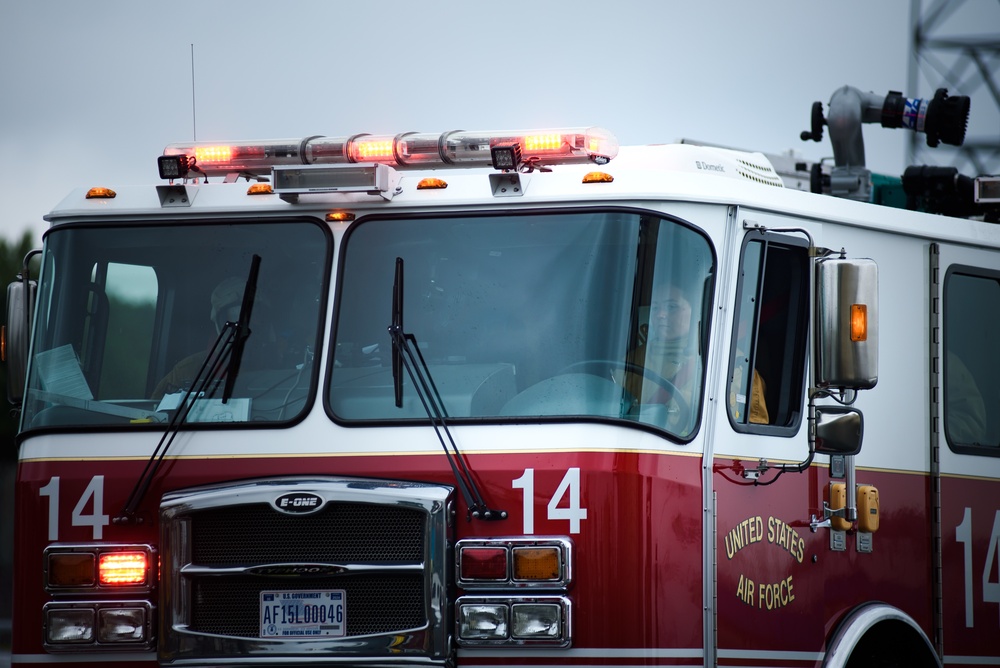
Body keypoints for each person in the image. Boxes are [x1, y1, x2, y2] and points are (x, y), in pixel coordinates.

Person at [152, 276, 276, 400]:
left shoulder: (281, 366)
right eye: (236, 316)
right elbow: (156, 417)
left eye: (256, 316)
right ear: (219, 321)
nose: (246, 326)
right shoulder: (188, 371)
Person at [625, 282, 702, 430]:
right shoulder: (633, 358)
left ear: (696, 312)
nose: (660, 314)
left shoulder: (728, 367)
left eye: (671, 307)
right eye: (655, 308)